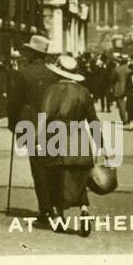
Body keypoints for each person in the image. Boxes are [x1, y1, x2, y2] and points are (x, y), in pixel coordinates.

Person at [38, 54, 99, 236]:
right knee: (79, 177)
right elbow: (93, 120)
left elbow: (43, 116)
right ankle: (84, 209)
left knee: (54, 177)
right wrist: (101, 144)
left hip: (55, 137)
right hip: (79, 138)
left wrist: (38, 141)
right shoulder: (83, 92)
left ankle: (58, 216)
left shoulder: (52, 90)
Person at [6, 34, 56, 223]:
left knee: (38, 168)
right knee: (54, 167)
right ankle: (57, 206)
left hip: (32, 127)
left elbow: (14, 103)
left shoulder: (23, 73)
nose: (25, 54)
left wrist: (13, 125)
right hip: (54, 126)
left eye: (27, 51)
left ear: (33, 54)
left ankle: (45, 209)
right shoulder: (54, 73)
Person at [111, 52, 130, 124]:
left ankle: (124, 119)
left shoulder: (117, 69)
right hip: (129, 88)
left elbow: (112, 79)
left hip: (119, 89)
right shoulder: (130, 69)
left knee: (121, 105)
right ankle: (129, 118)